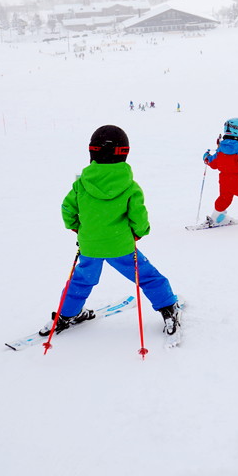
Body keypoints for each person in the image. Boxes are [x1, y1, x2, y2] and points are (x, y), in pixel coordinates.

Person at [54, 125, 181, 336]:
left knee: (81, 280)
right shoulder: (130, 186)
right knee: (147, 276)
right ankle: (167, 306)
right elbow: (139, 216)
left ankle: (67, 314)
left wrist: (76, 227)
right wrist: (140, 231)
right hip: (121, 245)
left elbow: (67, 209)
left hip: (90, 245)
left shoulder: (81, 184)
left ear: (92, 152)